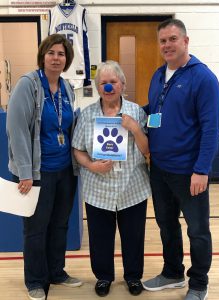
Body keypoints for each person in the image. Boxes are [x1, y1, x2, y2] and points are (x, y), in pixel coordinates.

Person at [142, 19, 219, 300]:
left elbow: (212, 128)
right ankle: (173, 272)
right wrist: (124, 116)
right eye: (163, 41)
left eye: (173, 39)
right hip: (160, 169)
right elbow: (154, 111)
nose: (167, 45)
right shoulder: (157, 75)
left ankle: (199, 282)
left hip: (190, 172)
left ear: (186, 41)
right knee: (166, 225)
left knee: (198, 230)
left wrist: (202, 170)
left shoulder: (203, 78)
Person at [6, 34, 82, 300]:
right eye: (51, 53)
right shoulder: (28, 84)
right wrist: (25, 172)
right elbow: (16, 130)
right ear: (43, 55)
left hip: (64, 171)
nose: (56, 58)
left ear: (67, 60)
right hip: (38, 174)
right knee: (36, 229)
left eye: (61, 54)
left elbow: (71, 125)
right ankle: (36, 281)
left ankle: (57, 271)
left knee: (60, 224)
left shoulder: (67, 88)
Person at [72, 60, 151, 297]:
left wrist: (135, 128)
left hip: (132, 187)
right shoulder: (87, 115)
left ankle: (133, 277)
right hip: (98, 190)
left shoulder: (137, 111)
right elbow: (77, 149)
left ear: (122, 85)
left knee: (133, 236)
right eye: (103, 83)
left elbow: (147, 150)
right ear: (98, 88)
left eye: (113, 82)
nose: (108, 87)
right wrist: (91, 165)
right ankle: (104, 277)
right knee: (100, 237)